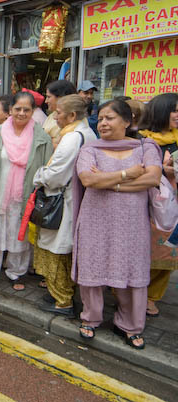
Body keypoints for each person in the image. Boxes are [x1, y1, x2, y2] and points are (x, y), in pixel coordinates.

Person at [73, 100, 161, 349]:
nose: (103, 123)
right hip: (95, 219)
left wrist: (111, 183)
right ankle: (90, 318)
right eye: (100, 118)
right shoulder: (90, 148)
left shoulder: (146, 146)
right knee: (93, 265)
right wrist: (127, 174)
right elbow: (88, 179)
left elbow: (152, 177)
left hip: (132, 223)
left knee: (132, 268)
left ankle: (130, 325)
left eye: (109, 118)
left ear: (127, 121)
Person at [0, 92, 53, 291]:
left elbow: (46, 168)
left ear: (33, 111)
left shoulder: (41, 137)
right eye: (17, 109)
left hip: (25, 196)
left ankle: (16, 273)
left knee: (19, 235)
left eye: (26, 109)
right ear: (10, 110)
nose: (21, 113)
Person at [32, 95, 97, 316]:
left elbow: (56, 174)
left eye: (58, 112)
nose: (55, 116)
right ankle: (63, 294)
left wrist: (38, 176)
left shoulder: (72, 138)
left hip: (62, 201)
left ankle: (62, 300)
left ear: (71, 115)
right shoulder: (85, 134)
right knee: (65, 249)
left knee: (56, 250)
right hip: (73, 200)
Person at [138, 93, 178, 317]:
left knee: (168, 253)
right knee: (142, 250)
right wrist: (162, 172)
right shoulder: (141, 140)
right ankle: (131, 291)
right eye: (174, 110)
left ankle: (152, 296)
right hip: (146, 204)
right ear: (161, 112)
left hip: (173, 208)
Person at [44, 80, 77, 148]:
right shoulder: (52, 115)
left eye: (49, 97)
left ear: (61, 98)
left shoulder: (71, 119)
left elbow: (63, 147)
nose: (46, 101)